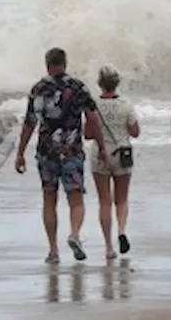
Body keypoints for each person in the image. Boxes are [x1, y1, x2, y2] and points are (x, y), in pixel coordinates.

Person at [15, 47, 108, 264]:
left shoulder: (38, 89)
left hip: (46, 152)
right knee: (76, 198)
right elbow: (93, 119)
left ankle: (53, 250)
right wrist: (101, 147)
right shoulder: (77, 87)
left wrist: (20, 153)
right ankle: (74, 234)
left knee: (49, 199)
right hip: (72, 151)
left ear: (47, 65)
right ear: (65, 64)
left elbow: (29, 123)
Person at [89, 65, 140, 259]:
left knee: (104, 202)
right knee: (122, 200)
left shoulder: (93, 105)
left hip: (100, 155)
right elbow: (135, 132)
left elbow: (87, 133)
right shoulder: (126, 105)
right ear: (117, 84)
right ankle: (122, 231)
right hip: (122, 155)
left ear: (100, 84)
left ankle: (109, 247)